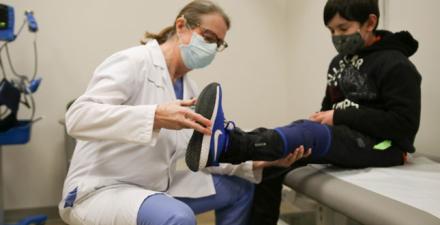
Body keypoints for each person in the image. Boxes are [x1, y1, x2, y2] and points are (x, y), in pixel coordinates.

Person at [59, 1, 301, 225]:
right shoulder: (134, 62)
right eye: (208, 37)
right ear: (181, 26)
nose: (211, 48)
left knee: (239, 188)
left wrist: (257, 161)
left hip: (154, 188)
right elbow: (78, 117)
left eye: (218, 43)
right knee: (178, 217)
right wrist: (155, 116)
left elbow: (204, 153)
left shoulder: (189, 89)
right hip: (102, 189)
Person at [185, 0, 422, 224]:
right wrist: (324, 119)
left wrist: (337, 118)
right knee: (274, 164)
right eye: (331, 31)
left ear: (370, 23)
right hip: (347, 138)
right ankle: (231, 142)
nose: (337, 37)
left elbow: (404, 125)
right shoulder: (339, 63)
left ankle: (228, 146)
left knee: (309, 133)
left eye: (343, 28)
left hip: (385, 147)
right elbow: (329, 109)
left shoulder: (396, 64)